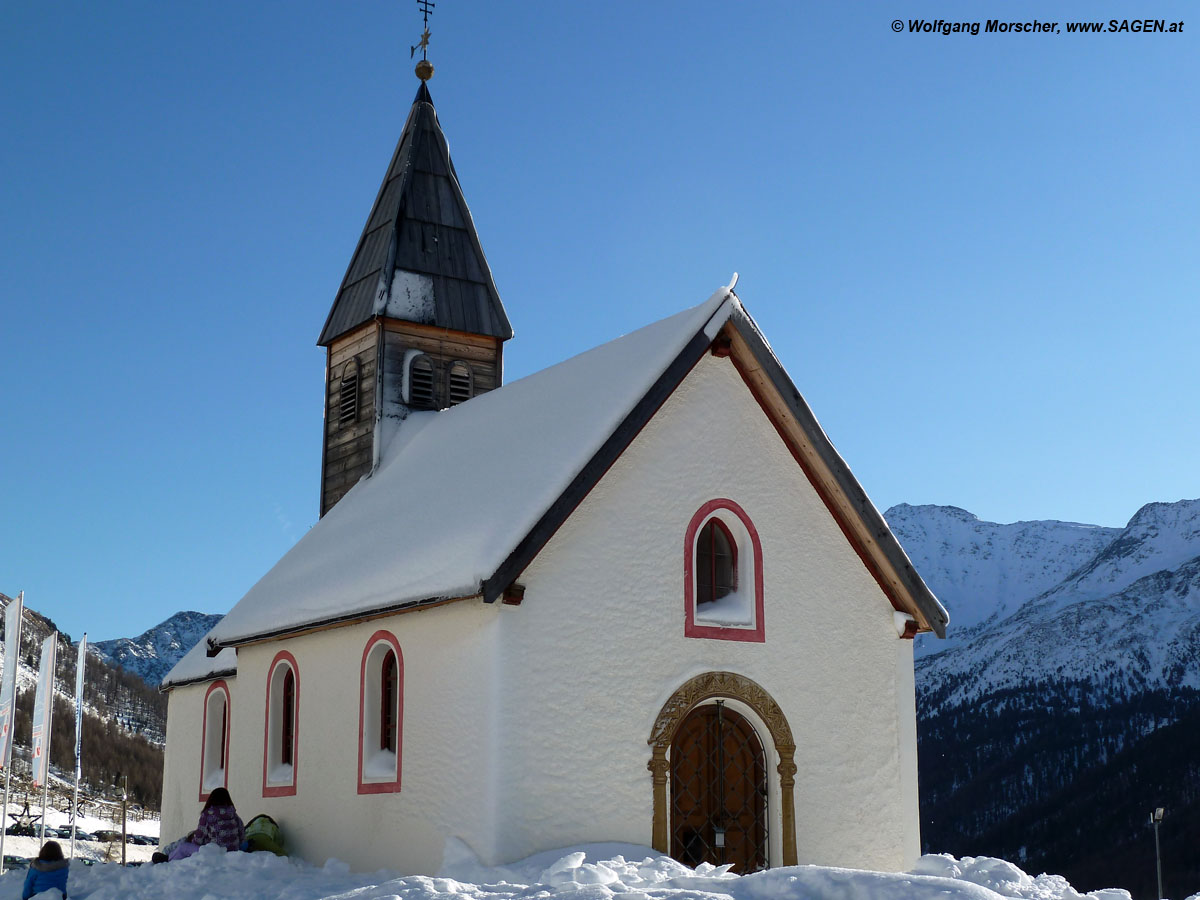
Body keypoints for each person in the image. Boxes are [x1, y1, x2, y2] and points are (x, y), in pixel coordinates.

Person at [166, 788, 246, 861]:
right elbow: (242, 835)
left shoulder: (208, 815)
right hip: (232, 853)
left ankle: (167, 860)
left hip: (214, 854)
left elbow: (198, 839)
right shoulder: (234, 816)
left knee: (182, 848)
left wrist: (192, 841)